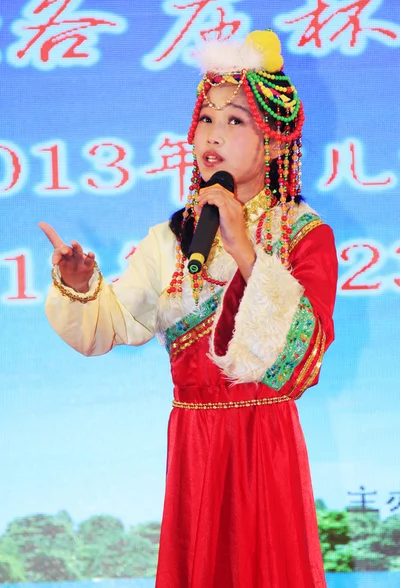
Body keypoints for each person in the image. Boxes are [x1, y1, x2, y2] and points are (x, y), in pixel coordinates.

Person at [40, 30, 337, 588]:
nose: (213, 135)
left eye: (235, 121)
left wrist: (244, 248)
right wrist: (80, 287)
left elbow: (306, 354)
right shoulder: (172, 237)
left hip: (263, 444)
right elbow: (116, 324)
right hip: (196, 448)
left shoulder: (302, 235)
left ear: (274, 143)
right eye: (206, 118)